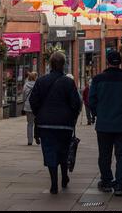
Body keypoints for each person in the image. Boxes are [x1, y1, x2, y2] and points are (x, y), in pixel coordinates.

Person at [89, 50, 122, 197]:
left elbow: (91, 100)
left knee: (104, 155)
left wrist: (97, 114)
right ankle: (119, 185)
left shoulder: (98, 79)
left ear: (108, 62)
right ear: (120, 63)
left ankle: (106, 181)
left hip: (104, 124)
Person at [29, 52, 82, 194]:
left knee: (50, 151)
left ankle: (54, 184)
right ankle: (64, 177)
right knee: (63, 151)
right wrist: (72, 116)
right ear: (63, 65)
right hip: (65, 124)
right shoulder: (69, 82)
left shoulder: (41, 81)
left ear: (50, 64)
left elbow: (33, 101)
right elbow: (76, 103)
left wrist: (40, 114)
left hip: (45, 124)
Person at [22, 72, 38, 146]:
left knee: (30, 124)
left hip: (28, 107)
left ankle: (29, 141)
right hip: (36, 107)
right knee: (37, 123)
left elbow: (24, 97)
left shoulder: (25, 85)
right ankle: (37, 137)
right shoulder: (38, 85)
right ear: (35, 77)